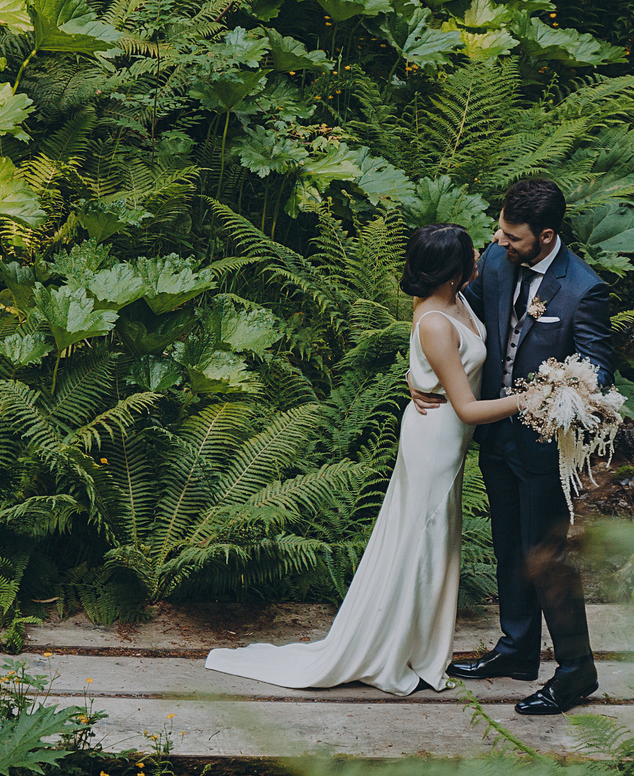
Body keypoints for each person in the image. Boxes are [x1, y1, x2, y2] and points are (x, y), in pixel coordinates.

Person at [203, 223, 535, 695]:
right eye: (472, 255)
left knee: (431, 541)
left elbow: (429, 365)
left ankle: (416, 643)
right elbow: (466, 407)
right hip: (436, 438)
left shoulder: (454, 300)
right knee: (421, 539)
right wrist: (536, 398)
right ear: (451, 271)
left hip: (442, 431)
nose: (482, 256)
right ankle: (391, 647)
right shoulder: (437, 319)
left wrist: (414, 378)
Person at [413, 175, 610, 714]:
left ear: (546, 237)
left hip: (545, 449)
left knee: (545, 556)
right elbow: (455, 322)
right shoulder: (497, 265)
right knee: (507, 546)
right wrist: (425, 373)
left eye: (511, 235)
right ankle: (517, 650)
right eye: (498, 230)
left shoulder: (583, 289)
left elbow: (595, 372)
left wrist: (558, 397)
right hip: (495, 437)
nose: (498, 242)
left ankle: (575, 671)